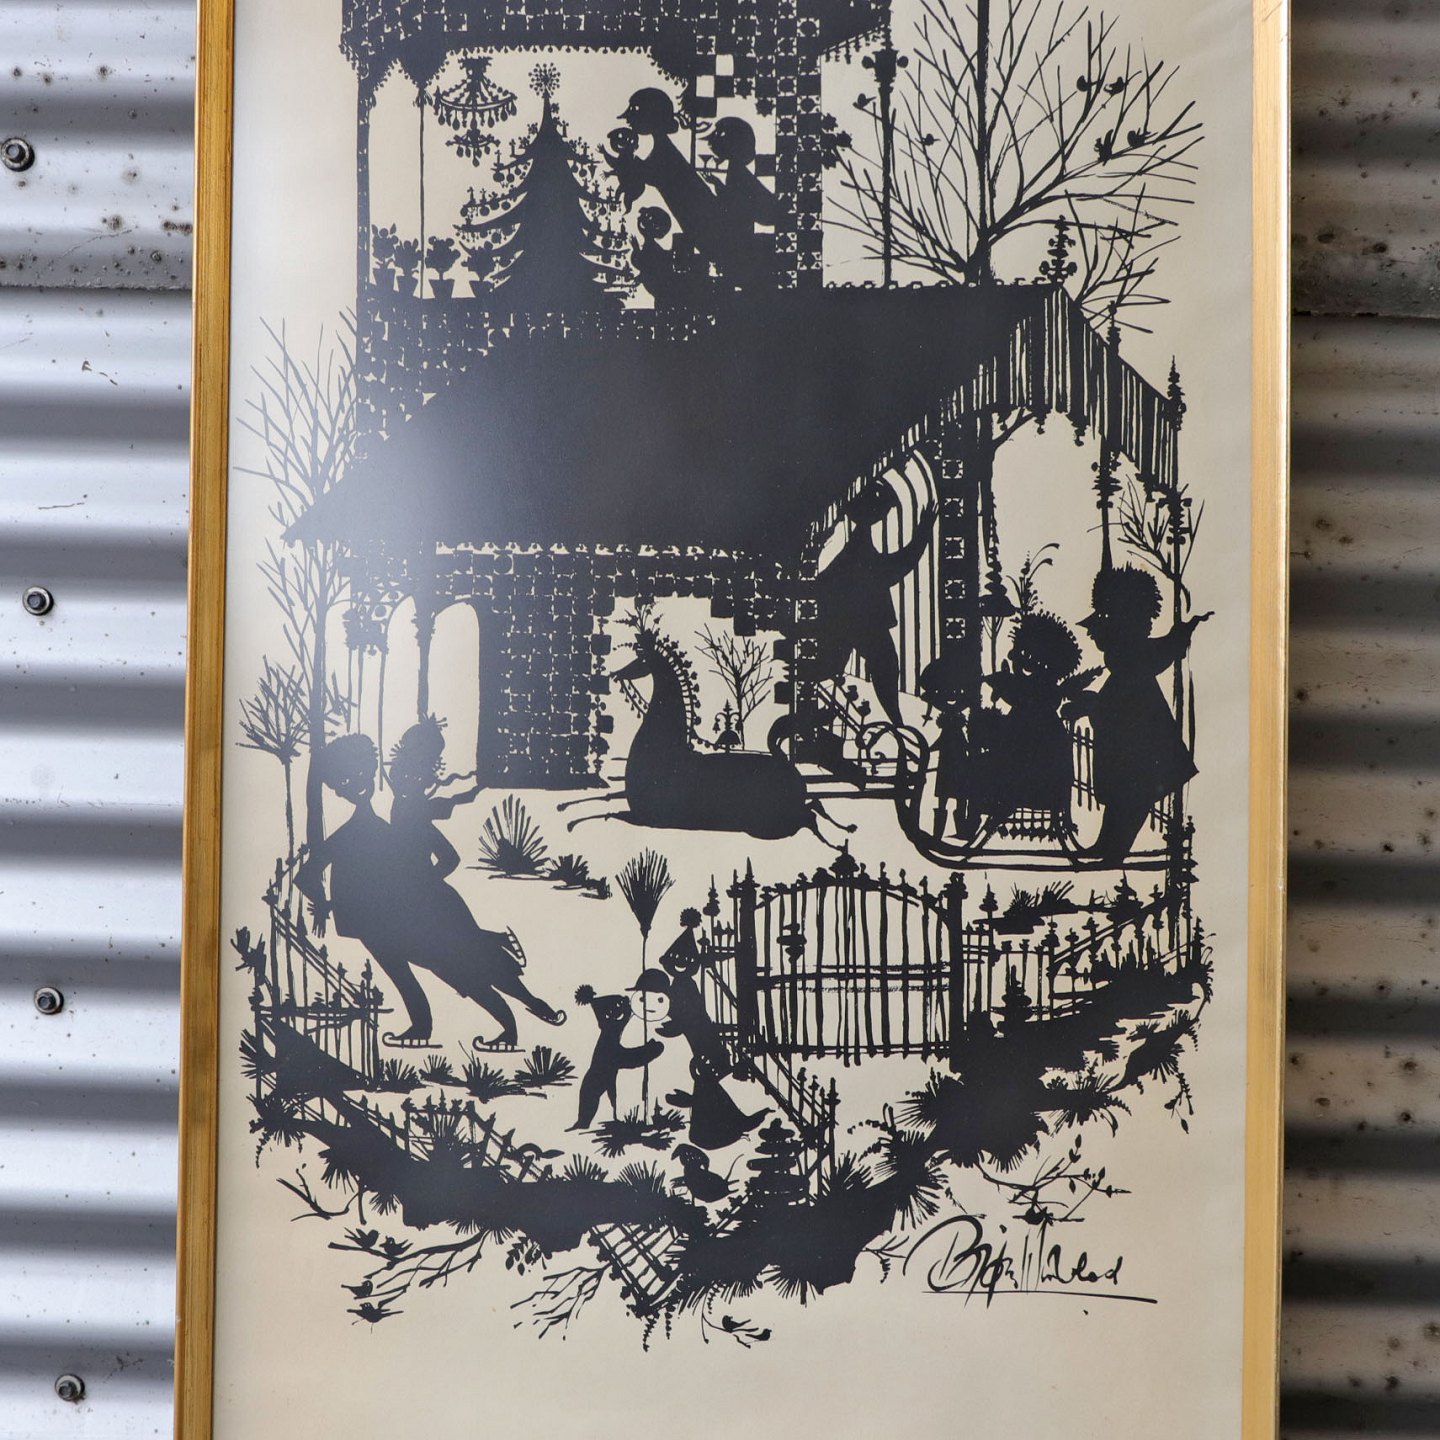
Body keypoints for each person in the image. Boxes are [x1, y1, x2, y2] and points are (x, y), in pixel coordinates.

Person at [384, 718, 566, 1048]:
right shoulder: (407, 804)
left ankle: (519, 1012)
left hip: (434, 905)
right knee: (462, 966)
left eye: (421, 766)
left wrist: (421, 884)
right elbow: (440, 808)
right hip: (424, 904)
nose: (409, 776)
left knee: (468, 965)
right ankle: (518, 1003)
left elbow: (449, 857)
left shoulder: (413, 814)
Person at [1064, 566, 1210, 864]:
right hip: (1122, 724)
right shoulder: (1125, 654)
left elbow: (1163, 650)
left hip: (1141, 726)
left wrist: (1185, 629)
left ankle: (1115, 849)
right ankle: (1106, 844)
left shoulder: (1136, 652)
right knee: (1118, 789)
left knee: (1133, 789)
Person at [295, 734, 433, 1040]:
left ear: (370, 771)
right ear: (338, 789)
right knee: (402, 970)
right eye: (345, 780)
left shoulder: (377, 829)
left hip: (384, 915)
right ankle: (422, 1027)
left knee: (410, 966)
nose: (356, 784)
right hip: (368, 920)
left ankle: (423, 1026)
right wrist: (325, 905)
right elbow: (305, 876)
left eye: (360, 773)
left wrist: (327, 904)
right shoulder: (350, 834)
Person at [812, 479, 937, 729]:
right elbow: (892, 568)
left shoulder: (858, 545)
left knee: (875, 665)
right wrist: (922, 534)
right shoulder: (859, 549)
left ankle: (895, 721)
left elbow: (889, 568)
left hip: (853, 622)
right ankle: (896, 722)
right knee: (884, 664)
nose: (883, 515)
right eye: (882, 510)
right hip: (859, 624)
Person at [569, 984, 664, 1130]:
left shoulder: (610, 1023)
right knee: (592, 1090)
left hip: (606, 1059)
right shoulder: (609, 1022)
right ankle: (584, 1122)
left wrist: (625, 1008)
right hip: (605, 1060)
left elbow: (617, 1016)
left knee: (592, 1089)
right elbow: (611, 1014)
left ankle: (585, 1121)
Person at [655, 908, 731, 1076]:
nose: (681, 963)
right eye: (677, 960)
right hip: (692, 1025)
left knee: (705, 1044)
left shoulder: (687, 984)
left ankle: (718, 1062)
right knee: (701, 1046)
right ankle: (715, 1061)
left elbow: (694, 1007)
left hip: (697, 1023)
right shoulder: (677, 983)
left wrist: (678, 1020)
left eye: (688, 960)